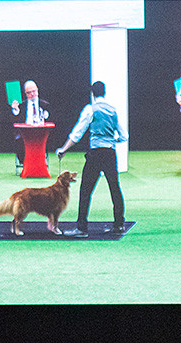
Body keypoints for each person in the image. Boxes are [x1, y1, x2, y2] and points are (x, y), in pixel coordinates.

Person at [55, 81, 126, 237]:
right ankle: (119, 225)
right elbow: (123, 136)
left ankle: (81, 228)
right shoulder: (113, 111)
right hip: (110, 154)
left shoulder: (90, 109)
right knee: (115, 188)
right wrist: (111, 141)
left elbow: (77, 133)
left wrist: (63, 149)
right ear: (104, 92)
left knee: (86, 191)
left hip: (95, 154)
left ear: (93, 93)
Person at [10, 80, 51, 163]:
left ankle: (40, 161)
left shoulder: (45, 105)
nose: (32, 94)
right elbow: (16, 118)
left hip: (40, 131)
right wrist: (15, 109)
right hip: (25, 132)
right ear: (25, 93)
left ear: (37, 90)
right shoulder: (21, 105)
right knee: (19, 140)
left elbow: (48, 118)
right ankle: (25, 162)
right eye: (29, 92)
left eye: (34, 91)